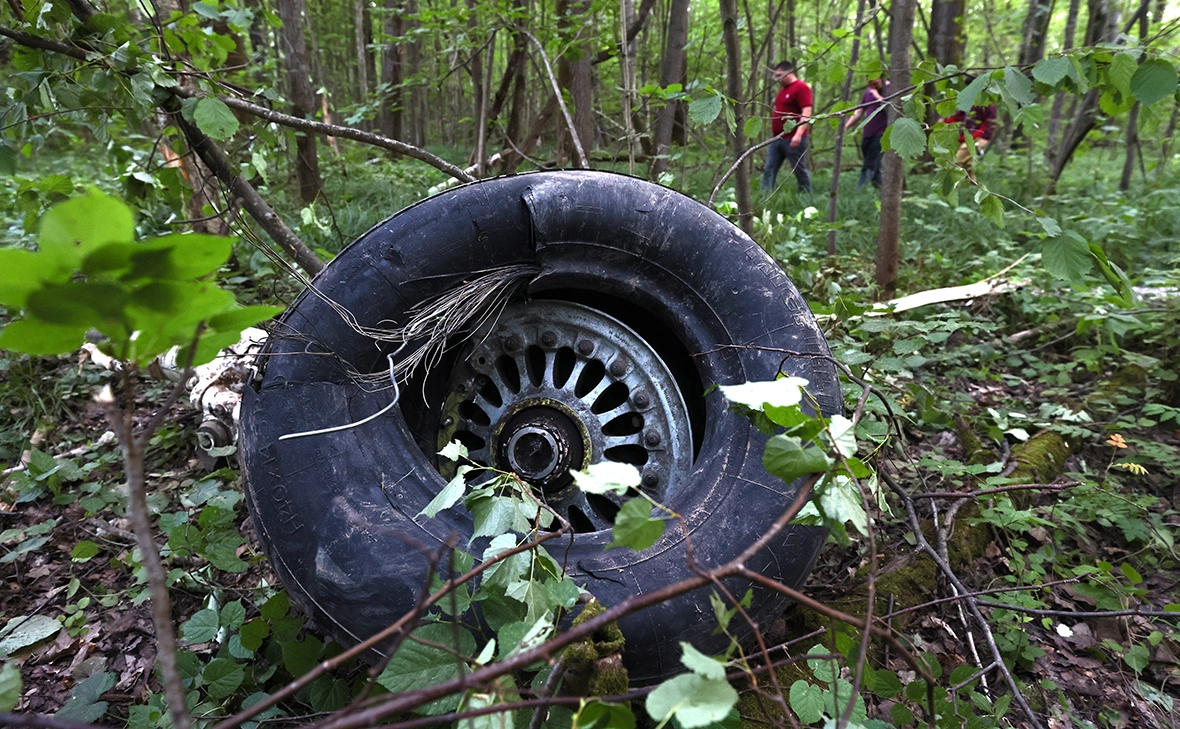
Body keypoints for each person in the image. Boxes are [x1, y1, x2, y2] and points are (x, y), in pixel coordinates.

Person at [762, 60, 813, 194]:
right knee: (769, 168)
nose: (776, 79)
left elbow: (807, 111)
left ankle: (806, 196)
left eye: (779, 75)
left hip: (793, 138)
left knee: (798, 169)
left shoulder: (801, 87)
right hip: (777, 139)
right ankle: (764, 197)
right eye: (775, 76)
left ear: (789, 72)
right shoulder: (783, 90)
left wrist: (798, 134)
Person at [844, 77, 888, 188]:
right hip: (868, 133)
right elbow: (859, 111)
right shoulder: (869, 91)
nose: (873, 86)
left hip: (881, 134)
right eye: (870, 84)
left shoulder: (890, 88)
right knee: (875, 165)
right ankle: (880, 189)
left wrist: (877, 96)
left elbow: (890, 108)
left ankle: (859, 189)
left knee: (869, 164)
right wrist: (846, 126)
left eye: (876, 83)